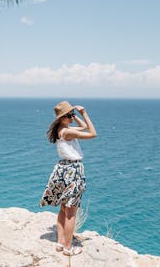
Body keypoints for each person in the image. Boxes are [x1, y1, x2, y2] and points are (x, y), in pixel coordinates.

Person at [40, 101, 97, 256]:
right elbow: (92, 133)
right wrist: (84, 114)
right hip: (73, 171)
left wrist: (75, 115)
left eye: (73, 115)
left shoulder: (61, 129)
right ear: (62, 118)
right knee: (71, 212)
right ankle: (68, 248)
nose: (72, 117)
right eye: (69, 115)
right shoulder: (67, 132)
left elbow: (83, 127)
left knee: (63, 209)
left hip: (62, 169)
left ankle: (60, 243)